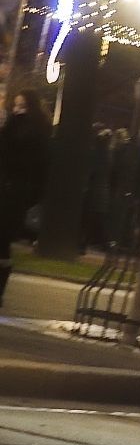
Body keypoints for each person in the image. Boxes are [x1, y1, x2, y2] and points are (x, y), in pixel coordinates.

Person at [0, 89, 51, 306]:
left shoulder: (35, 134)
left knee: (2, 243)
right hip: (9, 191)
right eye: (15, 106)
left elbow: (34, 166)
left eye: (21, 107)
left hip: (14, 196)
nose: (17, 110)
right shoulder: (14, 130)